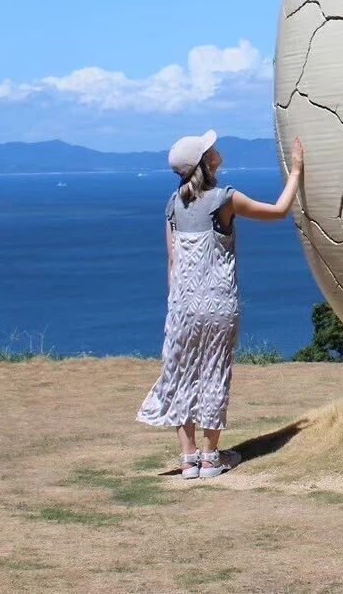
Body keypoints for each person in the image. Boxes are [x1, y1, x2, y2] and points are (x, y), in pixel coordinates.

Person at [136, 129, 304, 478]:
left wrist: (176, 305)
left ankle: (188, 459)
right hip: (217, 304)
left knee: (181, 376)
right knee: (214, 373)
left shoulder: (172, 205)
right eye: (209, 148)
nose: (215, 149)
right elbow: (278, 211)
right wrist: (297, 172)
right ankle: (211, 457)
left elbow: (172, 263)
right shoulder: (223, 199)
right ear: (205, 161)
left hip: (182, 305)